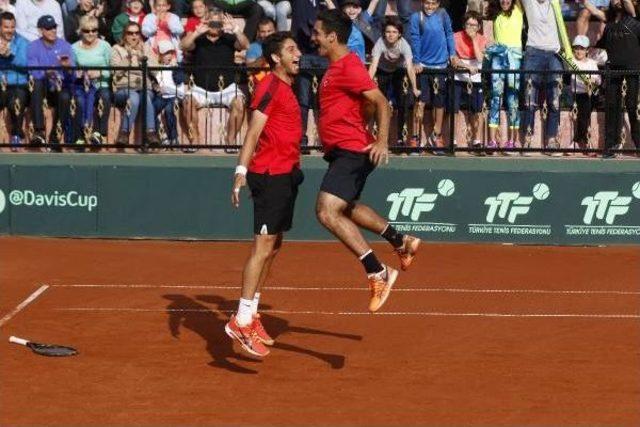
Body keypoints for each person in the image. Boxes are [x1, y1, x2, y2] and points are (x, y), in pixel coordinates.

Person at [312, 9, 421, 313]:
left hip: (352, 151)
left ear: (332, 36)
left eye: (318, 33)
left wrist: (381, 140)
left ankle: (378, 271)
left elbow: (381, 102)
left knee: (325, 211)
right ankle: (402, 240)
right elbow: (366, 107)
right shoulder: (335, 67)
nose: (313, 37)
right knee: (346, 207)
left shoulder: (348, 66)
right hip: (344, 150)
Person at [225, 32, 304, 358]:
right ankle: (240, 321)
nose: (297, 54)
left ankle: (252, 313)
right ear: (275, 58)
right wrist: (240, 172)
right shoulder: (269, 86)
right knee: (262, 247)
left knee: (274, 246)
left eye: (297, 48)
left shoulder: (286, 86)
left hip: (286, 175)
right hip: (269, 176)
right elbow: (253, 132)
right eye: (290, 49)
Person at [180, 10, 249, 150]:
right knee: (187, 103)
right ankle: (195, 140)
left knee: (240, 104)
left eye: (218, 22)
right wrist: (196, 32)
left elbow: (245, 45)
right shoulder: (198, 39)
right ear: (206, 21)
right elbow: (183, 46)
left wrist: (235, 29)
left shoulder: (229, 38)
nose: (215, 25)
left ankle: (230, 141)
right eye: (212, 22)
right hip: (201, 88)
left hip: (227, 88)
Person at [409, 0, 457, 151]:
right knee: (420, 103)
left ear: (438, 4)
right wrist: (416, 61)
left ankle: (436, 135)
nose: (430, 7)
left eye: (433, 4)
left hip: (441, 66)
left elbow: (449, 34)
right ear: (422, 3)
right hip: (423, 67)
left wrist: (452, 54)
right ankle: (415, 136)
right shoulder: (416, 17)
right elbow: (415, 38)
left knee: (439, 103)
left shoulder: (443, 14)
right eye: (427, 3)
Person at [595, 0, 640, 157]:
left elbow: (627, 3)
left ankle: (638, 144)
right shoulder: (608, 24)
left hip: (633, 71)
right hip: (613, 70)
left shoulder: (634, 19)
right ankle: (610, 146)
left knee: (632, 107)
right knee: (612, 108)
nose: (617, 1)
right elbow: (593, 11)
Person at [368, 16, 421, 146]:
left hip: (399, 72)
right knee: (380, 104)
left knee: (402, 102)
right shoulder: (380, 43)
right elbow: (373, 66)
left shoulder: (404, 45)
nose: (391, 35)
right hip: (383, 71)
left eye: (394, 32)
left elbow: (409, 68)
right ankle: (379, 138)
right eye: (388, 32)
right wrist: (366, 84)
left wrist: (414, 88)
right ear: (384, 33)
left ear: (399, 34)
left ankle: (400, 138)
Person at [519, 0, 563, 155]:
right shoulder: (529, 2)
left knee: (555, 101)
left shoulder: (555, 2)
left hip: (555, 53)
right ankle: (527, 140)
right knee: (529, 100)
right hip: (534, 52)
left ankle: (551, 141)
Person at [27, 14, 75, 150]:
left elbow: (73, 75)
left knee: (65, 97)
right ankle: (39, 131)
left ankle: (55, 137)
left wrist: (68, 69)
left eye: (54, 27)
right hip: (43, 86)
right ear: (41, 30)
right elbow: (33, 72)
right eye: (48, 28)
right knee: (36, 84)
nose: (53, 30)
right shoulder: (33, 47)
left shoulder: (65, 46)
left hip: (60, 86)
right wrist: (47, 72)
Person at [110, 21, 160, 147]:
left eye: (137, 33)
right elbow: (115, 72)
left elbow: (156, 70)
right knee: (134, 97)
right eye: (130, 33)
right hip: (123, 88)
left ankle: (150, 133)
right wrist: (128, 58)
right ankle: (125, 133)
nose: (134, 36)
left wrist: (144, 58)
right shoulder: (117, 49)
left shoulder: (146, 48)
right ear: (124, 35)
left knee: (143, 96)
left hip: (144, 88)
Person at [485, 0, 523, 153]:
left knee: (512, 99)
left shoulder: (519, 10)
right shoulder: (496, 14)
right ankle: (492, 141)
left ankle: (513, 141)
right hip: (498, 57)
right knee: (495, 98)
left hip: (514, 57)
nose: (505, 1)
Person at [71, 14, 112, 147]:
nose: (91, 33)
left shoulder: (105, 46)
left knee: (105, 96)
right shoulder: (74, 48)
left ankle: (98, 133)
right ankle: (80, 136)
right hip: (81, 86)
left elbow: (113, 69)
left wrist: (99, 73)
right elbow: (71, 71)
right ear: (80, 31)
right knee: (79, 101)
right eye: (87, 30)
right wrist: (78, 74)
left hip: (101, 84)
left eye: (94, 30)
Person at [451, 11, 486, 152]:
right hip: (458, 77)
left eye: (474, 25)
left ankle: (476, 140)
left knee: (476, 110)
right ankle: (452, 140)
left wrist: (473, 40)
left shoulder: (482, 39)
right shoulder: (455, 36)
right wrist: (466, 66)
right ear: (464, 24)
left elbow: (480, 58)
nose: (471, 27)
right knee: (454, 109)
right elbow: (453, 59)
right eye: (468, 24)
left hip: (475, 79)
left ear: (478, 26)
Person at [0, 12, 29, 151]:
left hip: (18, 83)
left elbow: (26, 63)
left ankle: (16, 134)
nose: (9, 30)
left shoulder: (23, 42)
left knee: (16, 102)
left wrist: (10, 54)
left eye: (12, 27)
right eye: (6, 27)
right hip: (1, 84)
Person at [568, 34, 601, 155]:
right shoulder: (570, 62)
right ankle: (585, 142)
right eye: (576, 48)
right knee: (584, 113)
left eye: (582, 48)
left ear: (587, 50)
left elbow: (598, 79)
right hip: (577, 94)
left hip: (591, 94)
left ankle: (577, 142)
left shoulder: (592, 63)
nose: (579, 51)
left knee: (585, 112)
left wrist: (593, 80)